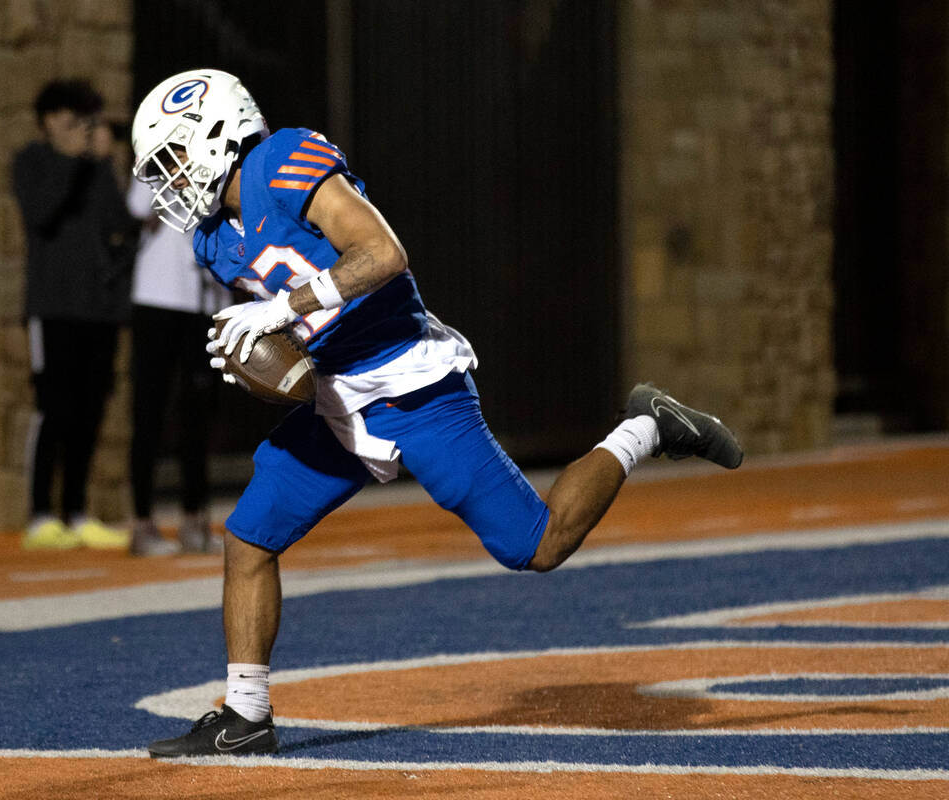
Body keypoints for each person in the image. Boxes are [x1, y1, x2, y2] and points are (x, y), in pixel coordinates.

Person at [130, 69, 744, 756]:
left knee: (537, 547)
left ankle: (645, 424)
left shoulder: (283, 160)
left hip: (409, 385)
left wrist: (285, 307)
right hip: (336, 399)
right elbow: (292, 355)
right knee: (248, 538)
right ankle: (247, 714)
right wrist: (262, 363)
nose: (170, 183)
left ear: (218, 134)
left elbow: (383, 255)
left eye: (173, 160)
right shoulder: (212, 239)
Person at [12, 79, 135, 551]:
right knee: (53, 410)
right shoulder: (33, 161)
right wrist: (71, 159)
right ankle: (40, 515)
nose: (83, 129)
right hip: (53, 308)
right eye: (74, 119)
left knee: (90, 412)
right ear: (49, 121)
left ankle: (78, 511)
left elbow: (118, 225)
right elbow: (40, 214)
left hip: (98, 311)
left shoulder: (96, 168)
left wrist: (107, 164)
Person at [125, 179, 232, 555]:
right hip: (157, 296)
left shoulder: (221, 158)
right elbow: (138, 207)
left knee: (200, 412)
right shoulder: (157, 159)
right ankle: (141, 524)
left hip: (205, 298)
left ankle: (194, 518)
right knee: (149, 410)